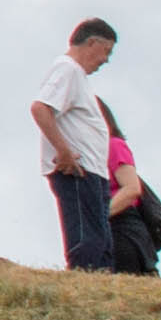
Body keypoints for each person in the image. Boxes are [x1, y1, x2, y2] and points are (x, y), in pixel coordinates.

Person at [34, 20, 129, 276]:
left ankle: (99, 285)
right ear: (92, 43)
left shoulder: (76, 76)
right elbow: (41, 108)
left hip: (92, 171)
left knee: (100, 239)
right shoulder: (68, 70)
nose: (105, 60)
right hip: (77, 169)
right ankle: (83, 283)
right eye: (106, 51)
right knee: (86, 239)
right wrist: (63, 151)